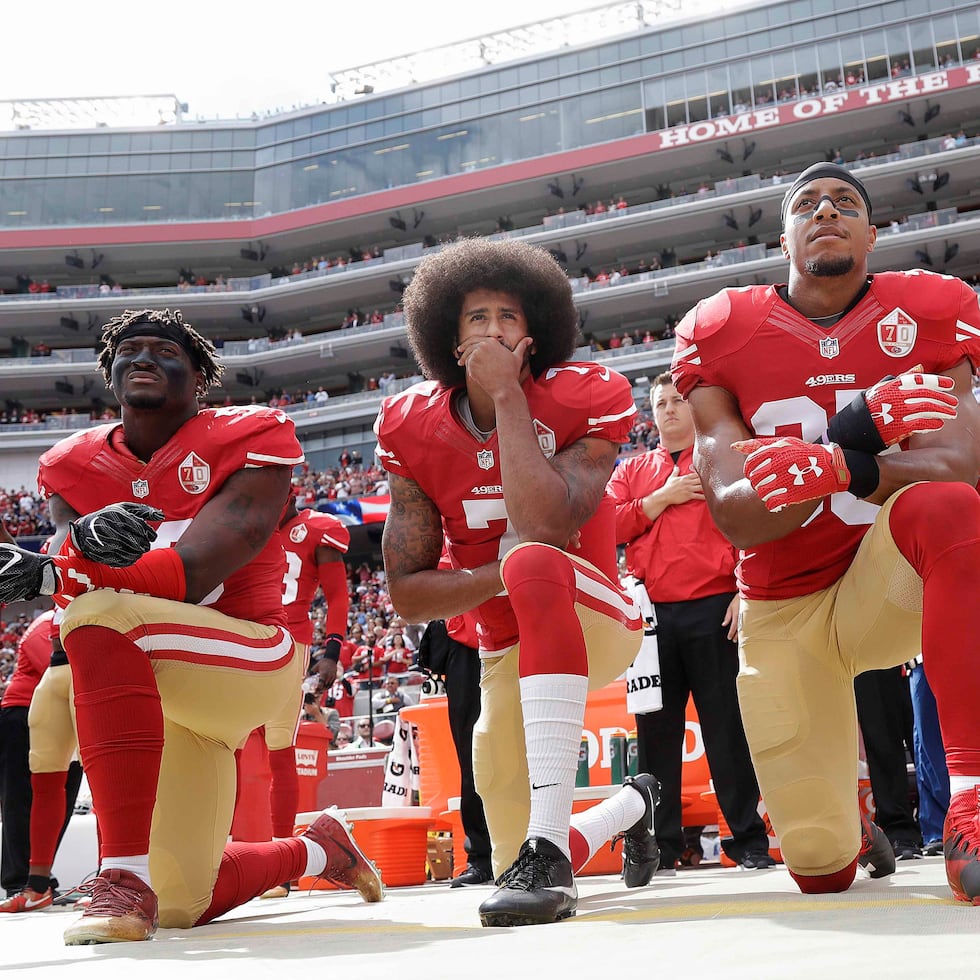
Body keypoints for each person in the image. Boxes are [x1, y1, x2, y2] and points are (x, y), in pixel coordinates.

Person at [0, 308, 383, 944]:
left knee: (98, 616)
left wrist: (54, 571)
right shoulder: (72, 465)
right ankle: (318, 851)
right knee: (181, 901)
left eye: (164, 351)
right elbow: (68, 578)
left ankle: (119, 876)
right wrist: (46, 568)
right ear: (108, 372)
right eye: (128, 350)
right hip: (158, 686)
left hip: (250, 656)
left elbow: (194, 571)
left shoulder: (252, 437)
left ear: (200, 376)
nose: (143, 358)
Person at [671, 162, 980, 901]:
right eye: (807, 204)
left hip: (888, 581)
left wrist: (842, 465)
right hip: (783, 605)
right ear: (784, 237)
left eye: (846, 202)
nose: (826, 210)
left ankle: (970, 795)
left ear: (872, 234)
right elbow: (736, 512)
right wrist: (849, 437)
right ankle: (854, 829)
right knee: (819, 868)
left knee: (950, 508)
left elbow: (966, 464)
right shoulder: (724, 328)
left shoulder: (927, 312)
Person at [374, 238, 660, 928]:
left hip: (594, 616)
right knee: (522, 854)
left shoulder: (585, 395)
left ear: (533, 338)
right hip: (504, 642)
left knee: (531, 558)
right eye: (477, 317)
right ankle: (629, 807)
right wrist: (489, 580)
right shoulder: (411, 424)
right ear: (449, 336)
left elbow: (542, 520)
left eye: (508, 316)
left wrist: (505, 394)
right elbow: (409, 593)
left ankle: (566, 842)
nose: (494, 329)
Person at [608, 372, 772, 872]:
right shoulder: (633, 470)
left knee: (727, 731)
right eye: (661, 403)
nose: (671, 409)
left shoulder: (720, 456)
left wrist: (744, 589)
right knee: (655, 736)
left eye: (679, 400)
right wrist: (662, 498)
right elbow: (606, 524)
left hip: (713, 607)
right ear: (650, 414)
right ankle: (661, 845)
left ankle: (747, 840)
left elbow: (755, 521)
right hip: (652, 620)